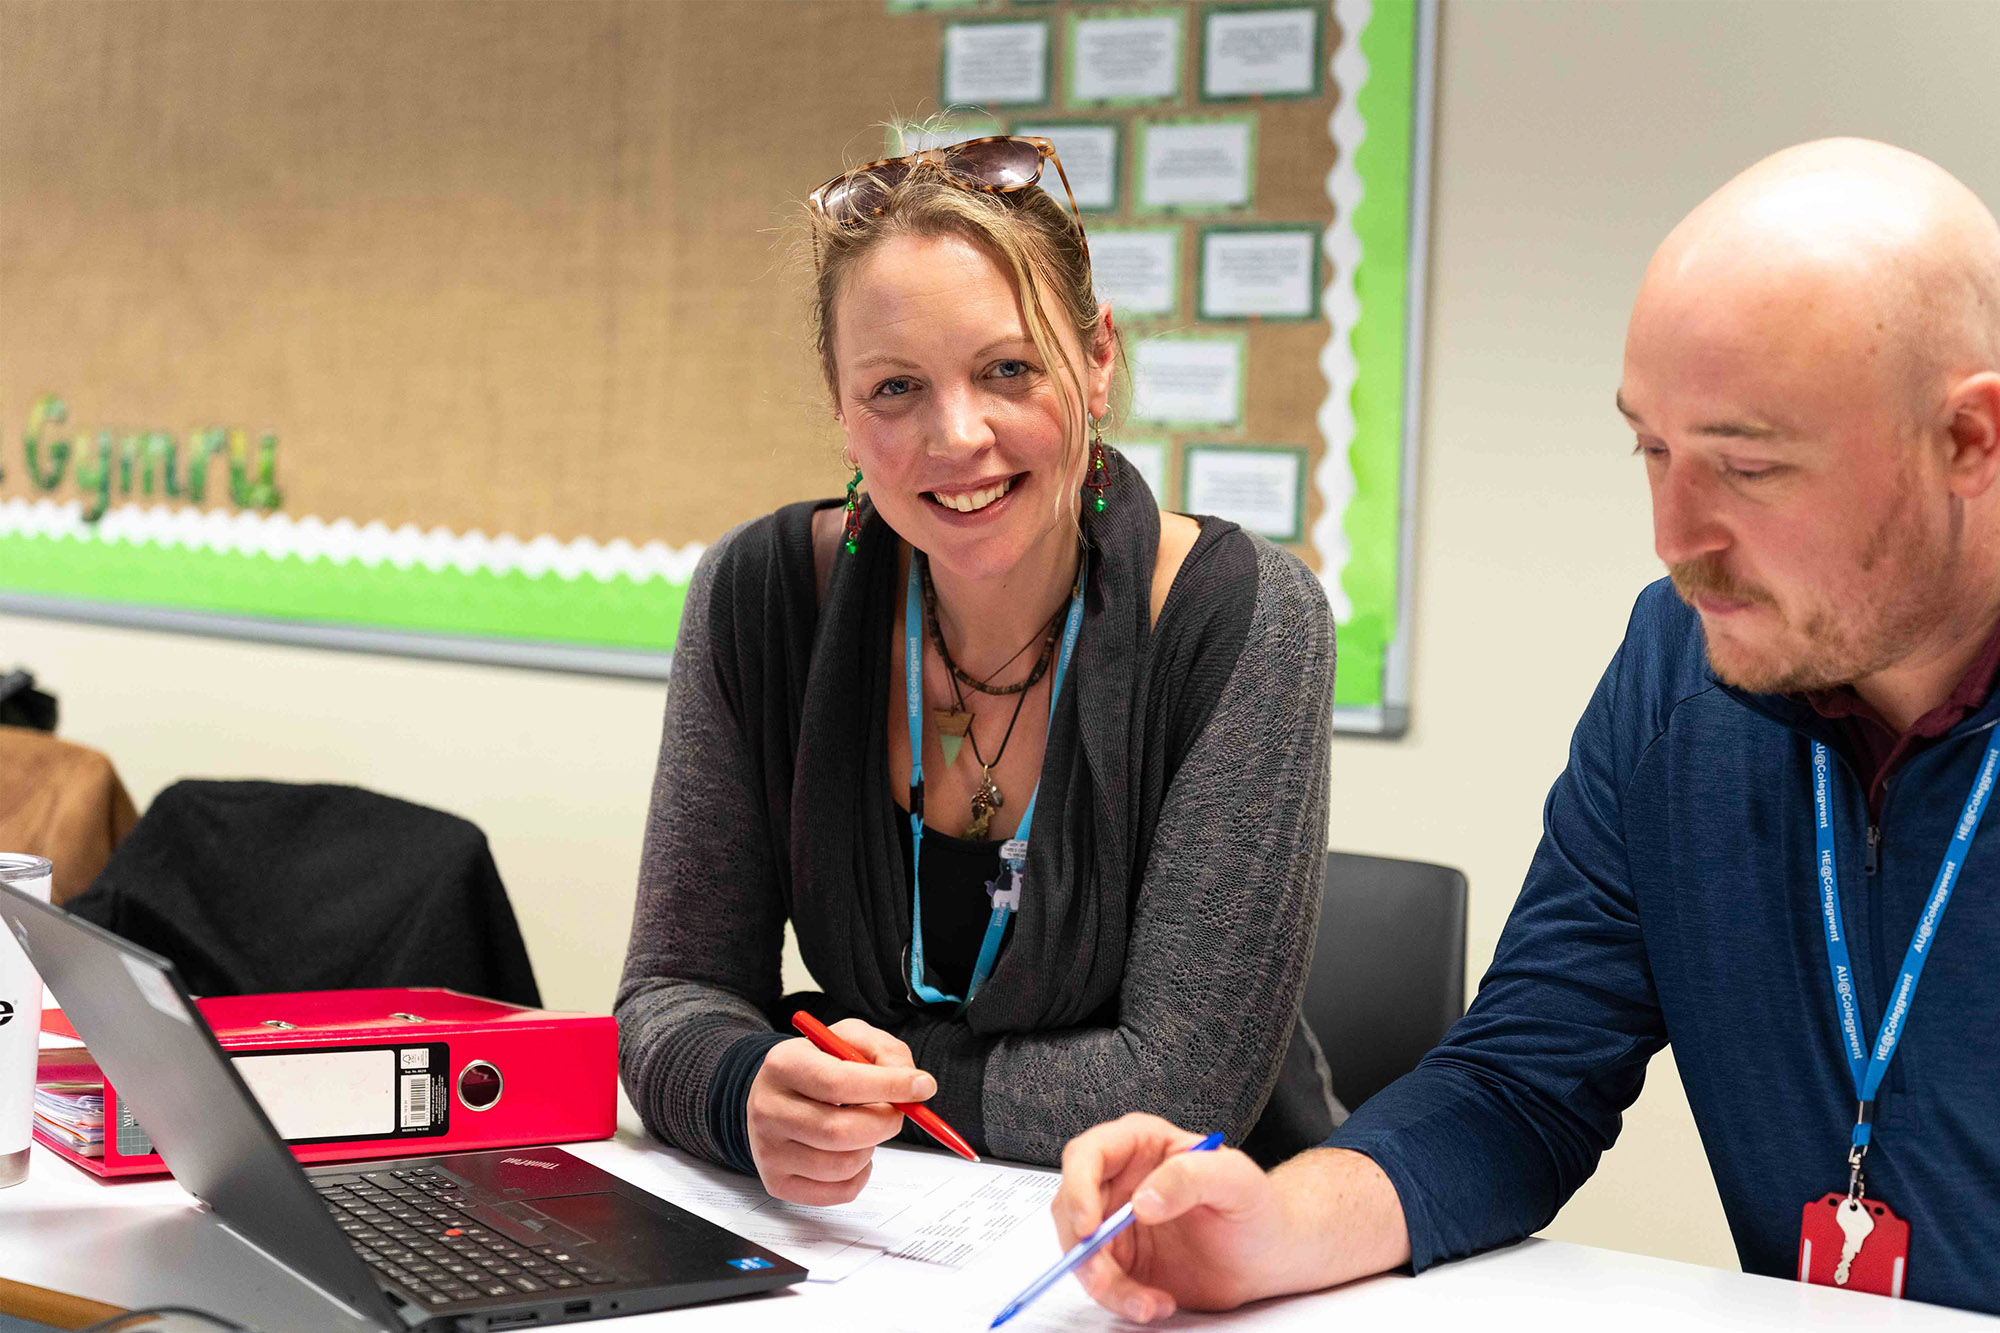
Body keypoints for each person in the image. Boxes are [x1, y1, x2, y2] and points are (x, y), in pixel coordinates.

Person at [1051, 137, 2000, 1318]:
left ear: (1967, 440)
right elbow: (1520, 1081)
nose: (1673, 536)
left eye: (1745, 467)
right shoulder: (1677, 670)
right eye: (1649, 448)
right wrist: (1275, 1224)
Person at [616, 134, 1340, 1205]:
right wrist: (745, 1086)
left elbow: (1180, 1091)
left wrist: (871, 1086)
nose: (956, 437)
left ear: (1097, 358)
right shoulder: (759, 597)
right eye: (895, 387)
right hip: (885, 1238)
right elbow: (669, 993)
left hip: (1183, 1245)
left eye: (1008, 369)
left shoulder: (1243, 618)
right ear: (838, 403)